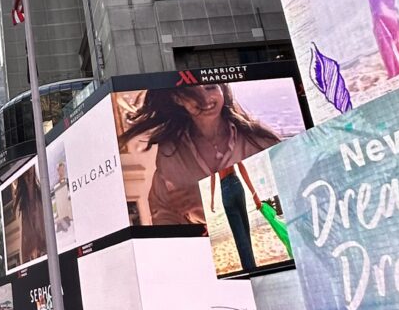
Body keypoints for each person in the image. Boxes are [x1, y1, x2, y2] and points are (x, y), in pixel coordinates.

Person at [119, 83, 282, 225]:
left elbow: (287, 189)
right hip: (213, 249)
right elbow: (163, 208)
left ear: (223, 91)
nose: (205, 99)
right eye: (193, 93)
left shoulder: (260, 141)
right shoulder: (169, 151)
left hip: (265, 235)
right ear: (178, 99)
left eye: (211, 88)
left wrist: (207, 198)